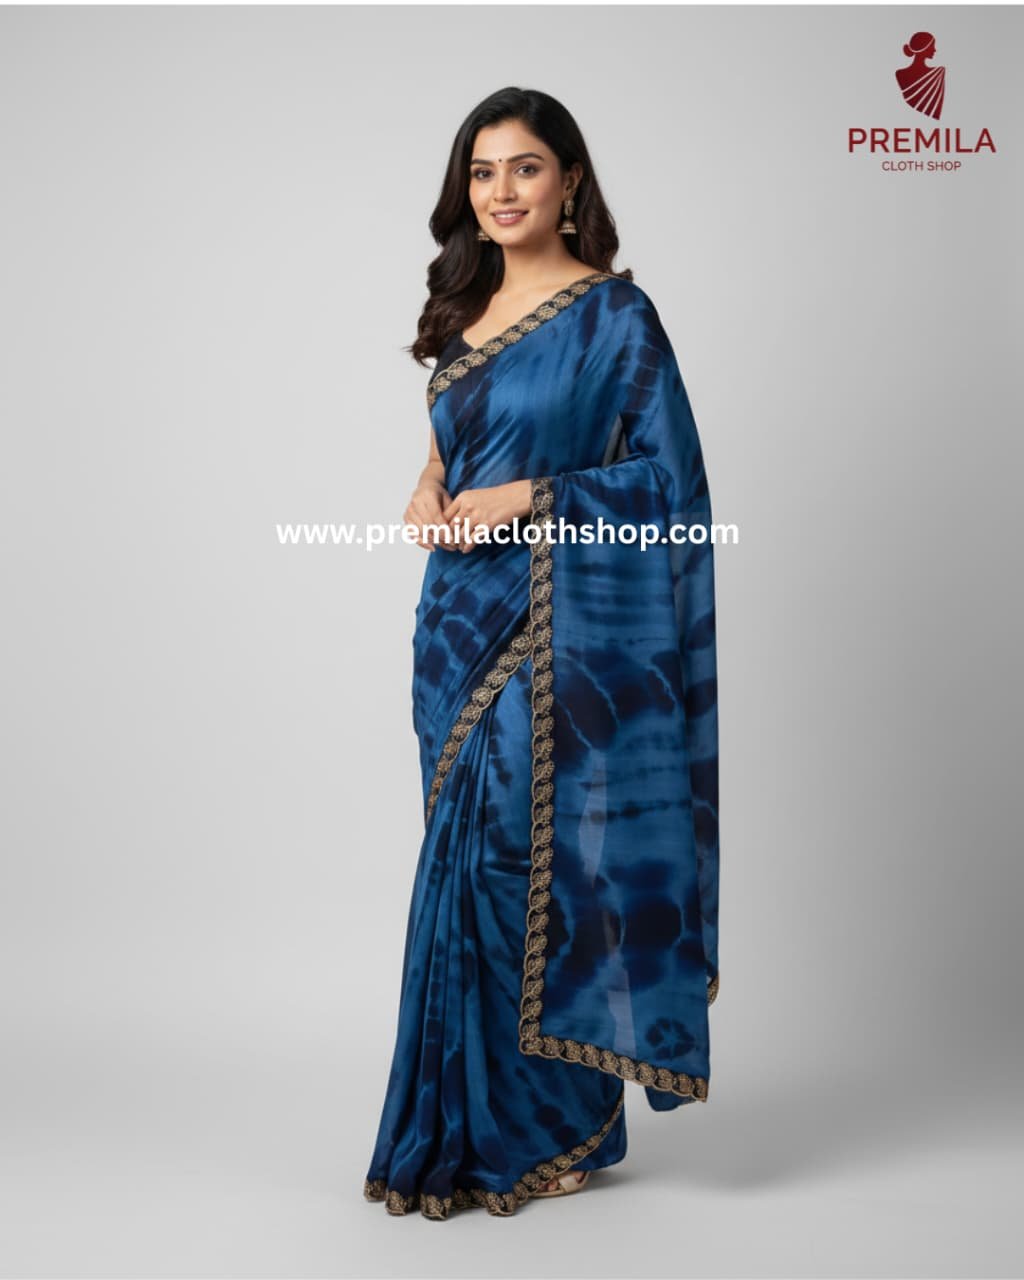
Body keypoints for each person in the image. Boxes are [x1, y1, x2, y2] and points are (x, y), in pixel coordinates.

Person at [362, 86, 720, 1221]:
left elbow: (669, 485)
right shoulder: (463, 307)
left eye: (524, 167)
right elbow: (445, 449)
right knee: (457, 869)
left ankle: (550, 1127)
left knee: (524, 859)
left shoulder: (616, 316)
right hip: (453, 623)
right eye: (482, 172)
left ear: (569, 180)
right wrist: (425, 494)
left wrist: (532, 497)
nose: (501, 191)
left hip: (554, 623)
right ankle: (459, 1123)